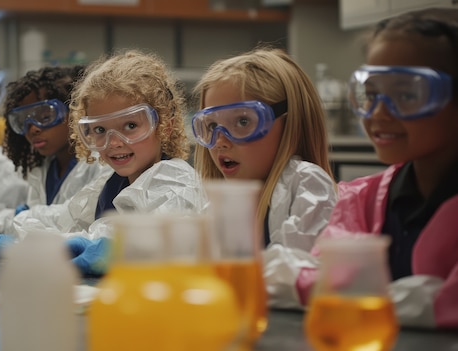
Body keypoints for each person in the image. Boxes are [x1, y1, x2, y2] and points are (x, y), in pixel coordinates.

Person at [277, 8, 458, 329]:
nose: (378, 113)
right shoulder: (365, 199)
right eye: (370, 94)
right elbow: (325, 276)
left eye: (406, 94)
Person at [0, 50, 206, 276]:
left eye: (130, 126)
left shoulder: (175, 183)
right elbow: (60, 218)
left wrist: (15, 245)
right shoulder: (110, 182)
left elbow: (105, 241)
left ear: (164, 125)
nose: (114, 142)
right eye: (99, 129)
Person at [192, 46, 337, 253]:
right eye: (212, 126)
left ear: (289, 123)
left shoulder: (306, 185)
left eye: (242, 121)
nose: (220, 142)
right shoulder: (220, 205)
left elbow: (295, 272)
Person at [0, 65, 112, 252]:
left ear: (75, 112)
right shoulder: (42, 168)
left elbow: (78, 227)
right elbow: (37, 224)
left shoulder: (100, 163)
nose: (33, 129)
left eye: (45, 116)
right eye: (23, 121)